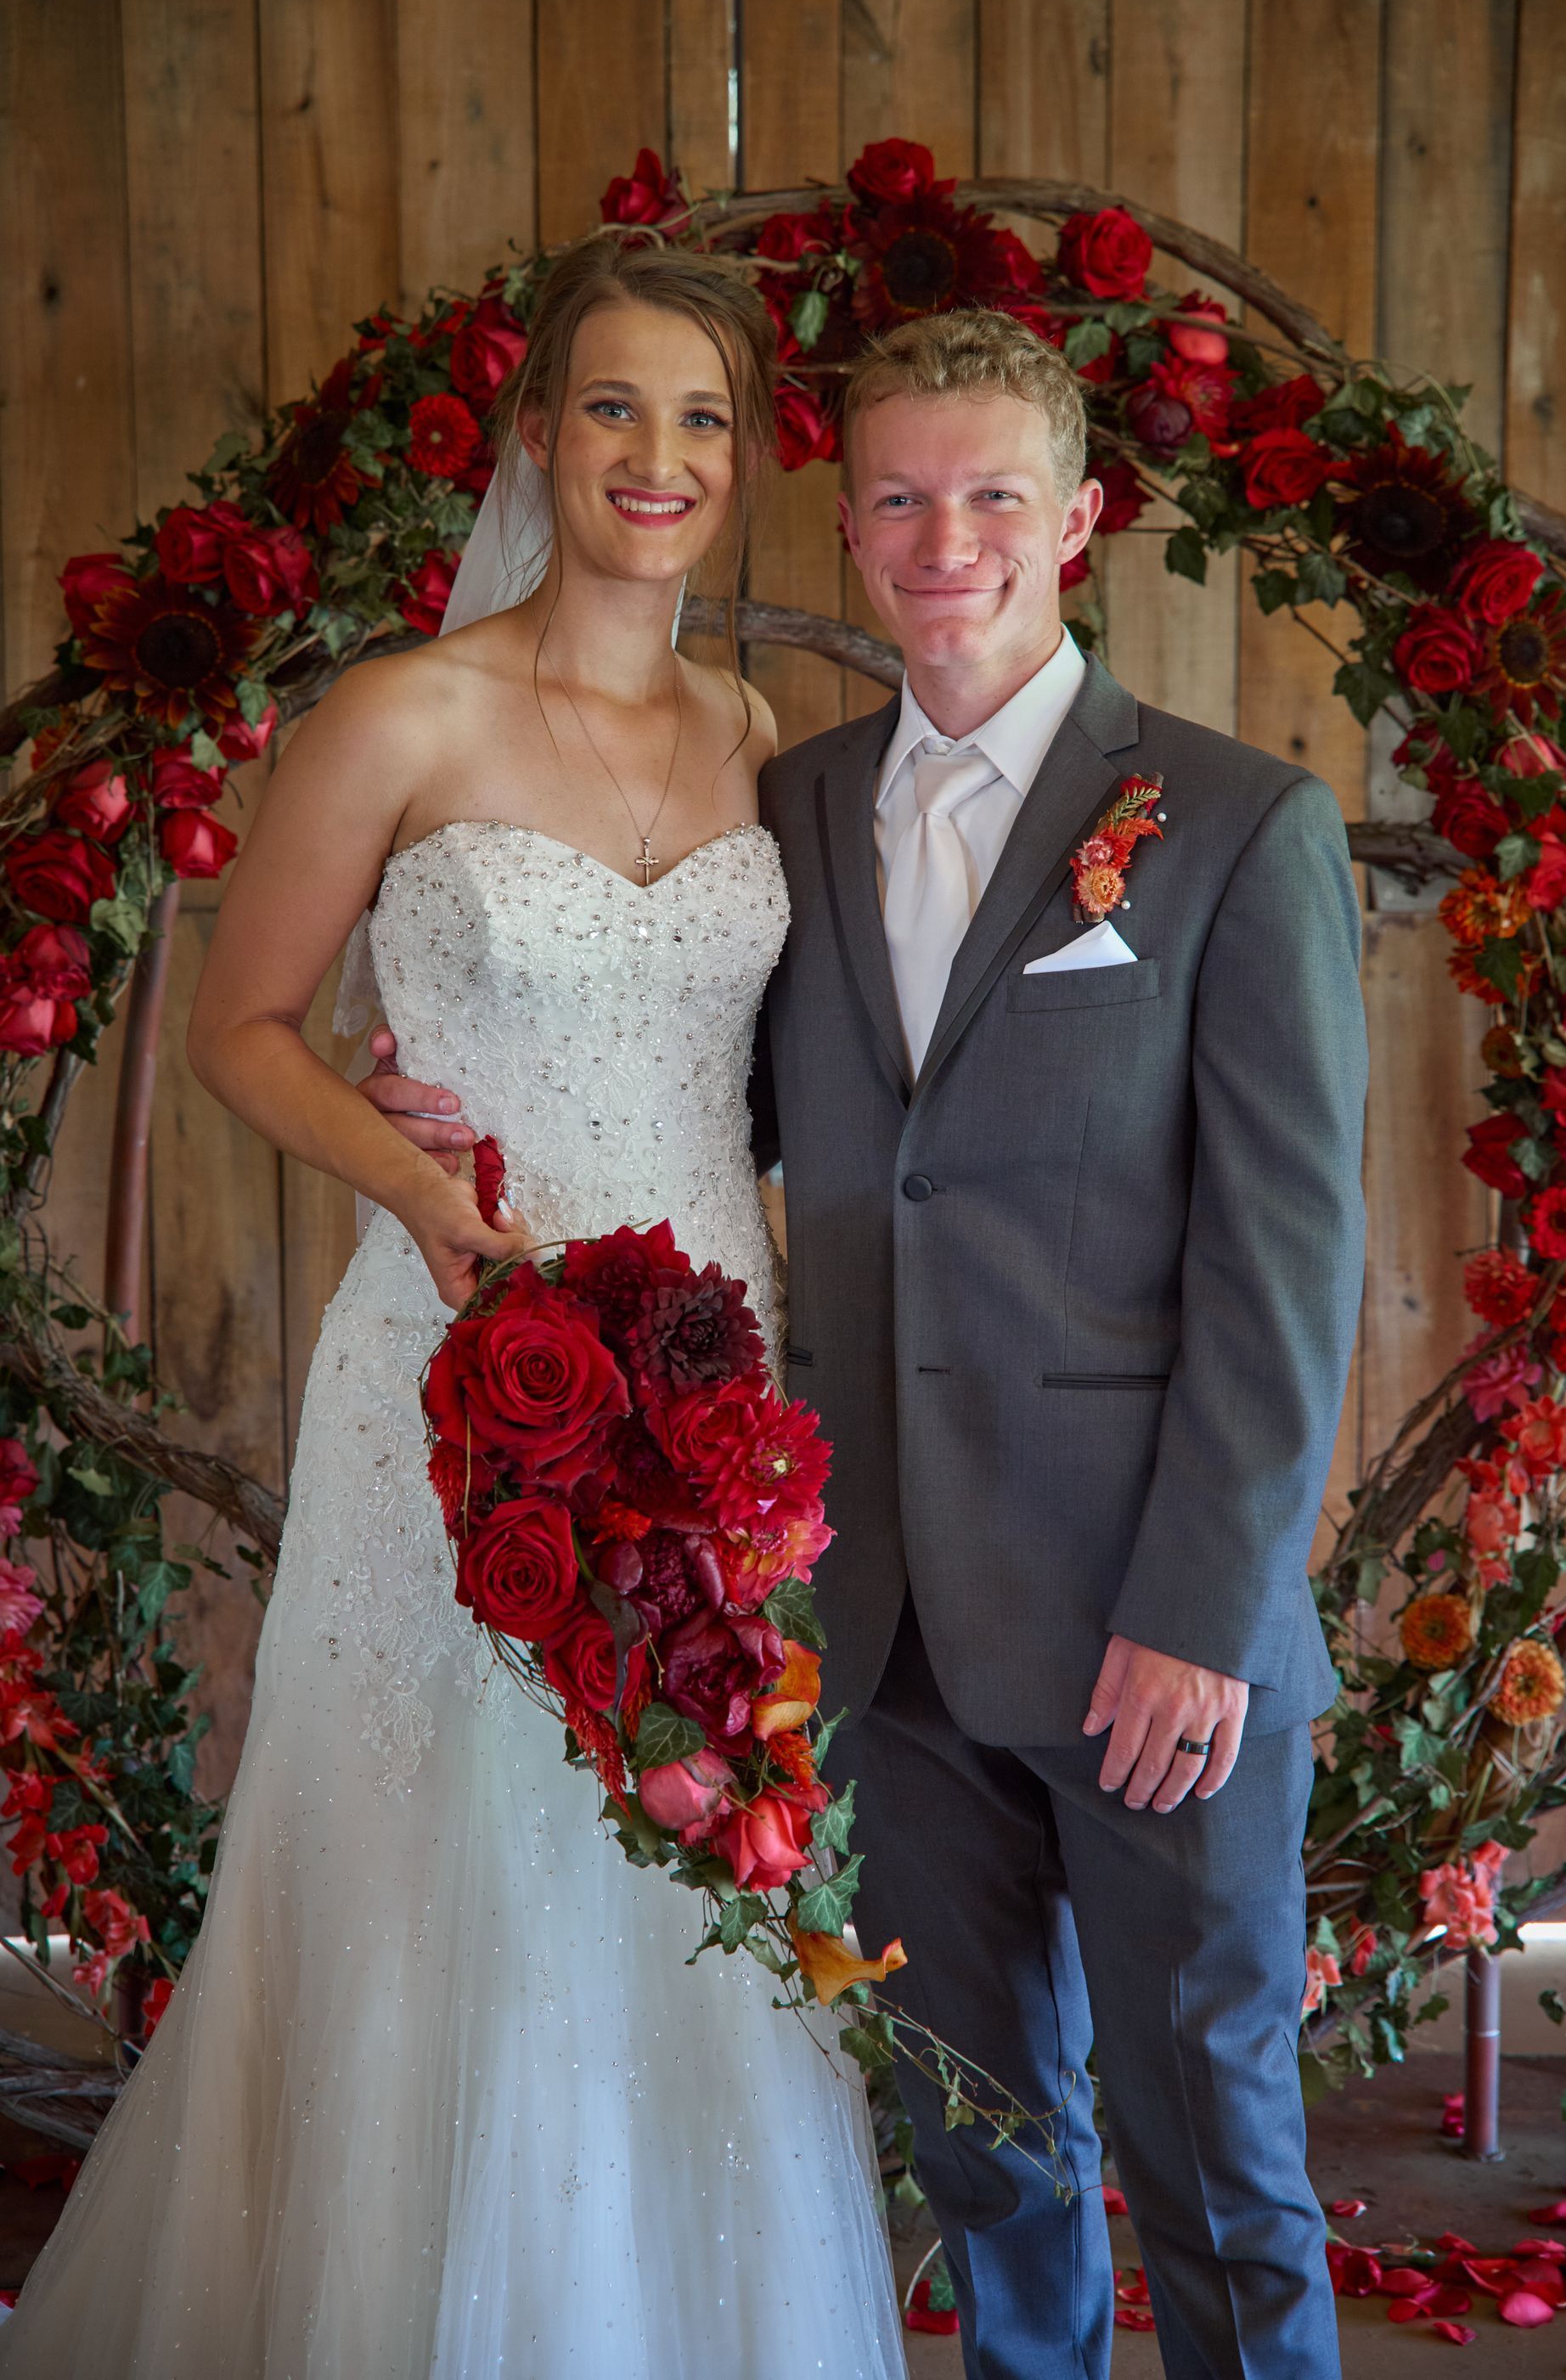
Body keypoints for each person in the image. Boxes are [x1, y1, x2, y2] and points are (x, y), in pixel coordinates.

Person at [369, 308, 1367, 2380]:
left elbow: (1290, 1268)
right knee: (987, 2153)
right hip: (887, 1615)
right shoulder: (797, 808)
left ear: (1079, 519)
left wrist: (1204, 1607)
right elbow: (706, 1113)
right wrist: (452, 1092)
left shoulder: (1236, 828)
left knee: (1216, 2157)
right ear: (849, 521)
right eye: (902, 496)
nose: (946, 540)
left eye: (995, 494)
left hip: (1151, 1631)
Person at [0, 239, 908, 2380]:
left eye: (699, 419)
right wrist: (418, 1183)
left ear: (740, 460)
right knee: (460, 1854)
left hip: (705, 1388)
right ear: (537, 438)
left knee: (679, 1842)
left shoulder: (752, 727)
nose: (655, 457)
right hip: (457, 1364)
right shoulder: (403, 708)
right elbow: (244, 1025)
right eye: (612, 408)